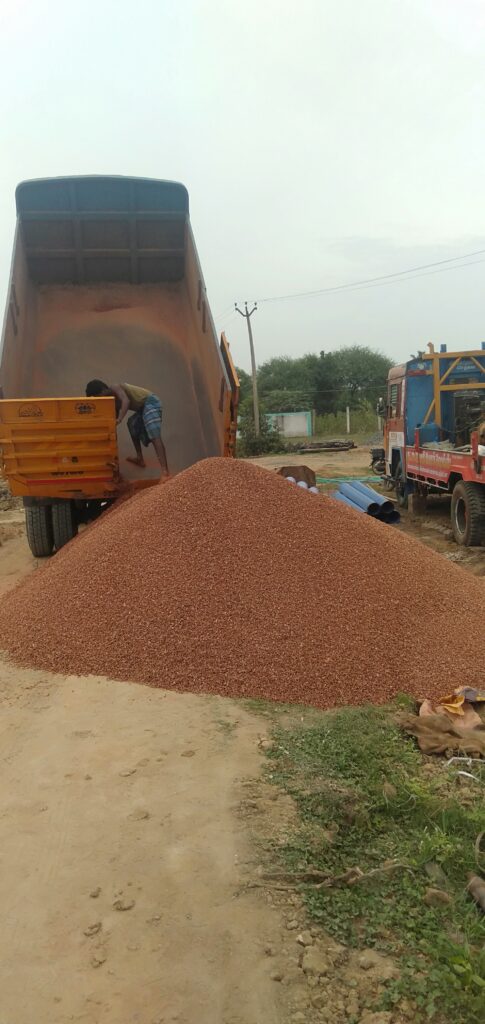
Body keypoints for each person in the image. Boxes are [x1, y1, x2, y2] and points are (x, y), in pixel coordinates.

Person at [85, 380, 169, 479]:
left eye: (97, 396)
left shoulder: (115, 387)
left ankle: (165, 472)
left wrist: (120, 418)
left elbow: (126, 401)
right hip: (141, 408)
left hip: (150, 402)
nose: (99, 399)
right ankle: (139, 458)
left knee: (154, 435)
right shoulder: (111, 401)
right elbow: (113, 419)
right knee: (131, 424)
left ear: (103, 390)